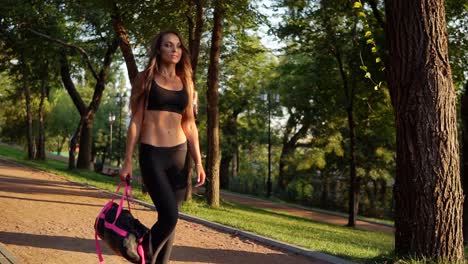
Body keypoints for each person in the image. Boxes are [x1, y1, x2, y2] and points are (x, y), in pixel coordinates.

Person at [119, 30, 206, 264]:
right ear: (159, 49)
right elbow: (136, 120)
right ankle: (142, 250)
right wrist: (128, 159)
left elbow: (189, 124)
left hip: (179, 155)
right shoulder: (145, 78)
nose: (174, 49)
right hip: (152, 154)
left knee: (172, 219)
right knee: (169, 216)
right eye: (168, 45)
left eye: (178, 45)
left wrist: (198, 161)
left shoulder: (186, 81)